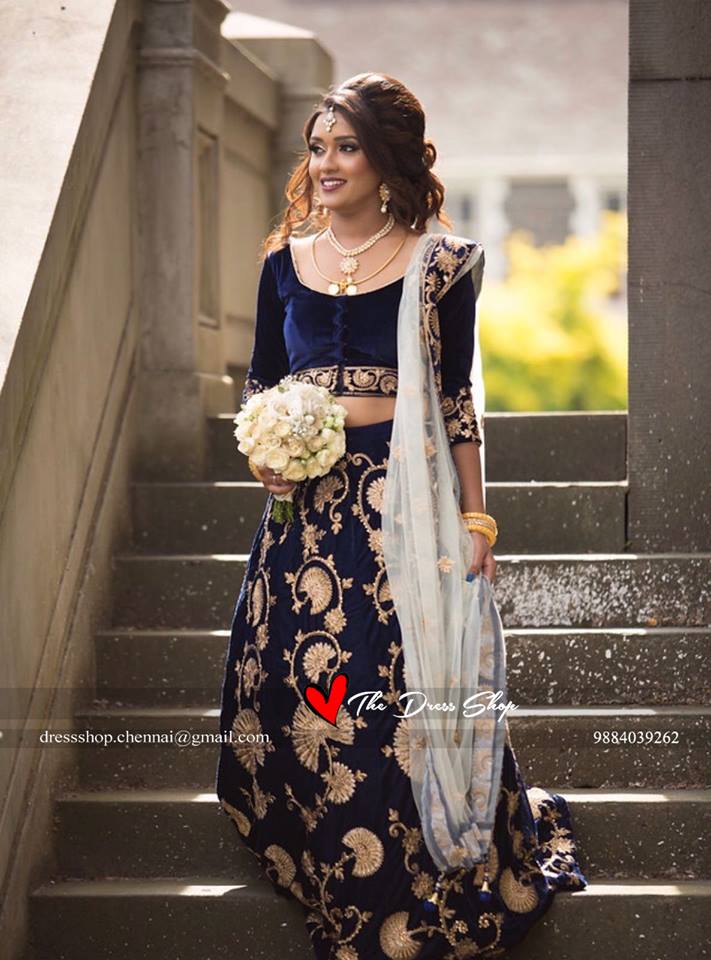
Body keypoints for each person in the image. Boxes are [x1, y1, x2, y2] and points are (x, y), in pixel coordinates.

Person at [215, 72, 587, 959]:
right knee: (295, 683)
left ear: (387, 162)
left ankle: (401, 873)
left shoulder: (439, 264)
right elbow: (262, 380)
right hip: (304, 510)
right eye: (317, 147)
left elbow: (453, 399)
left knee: (392, 684)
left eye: (346, 147)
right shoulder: (283, 264)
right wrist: (266, 451)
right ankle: (324, 856)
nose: (326, 163)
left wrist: (476, 520)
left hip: (400, 500)